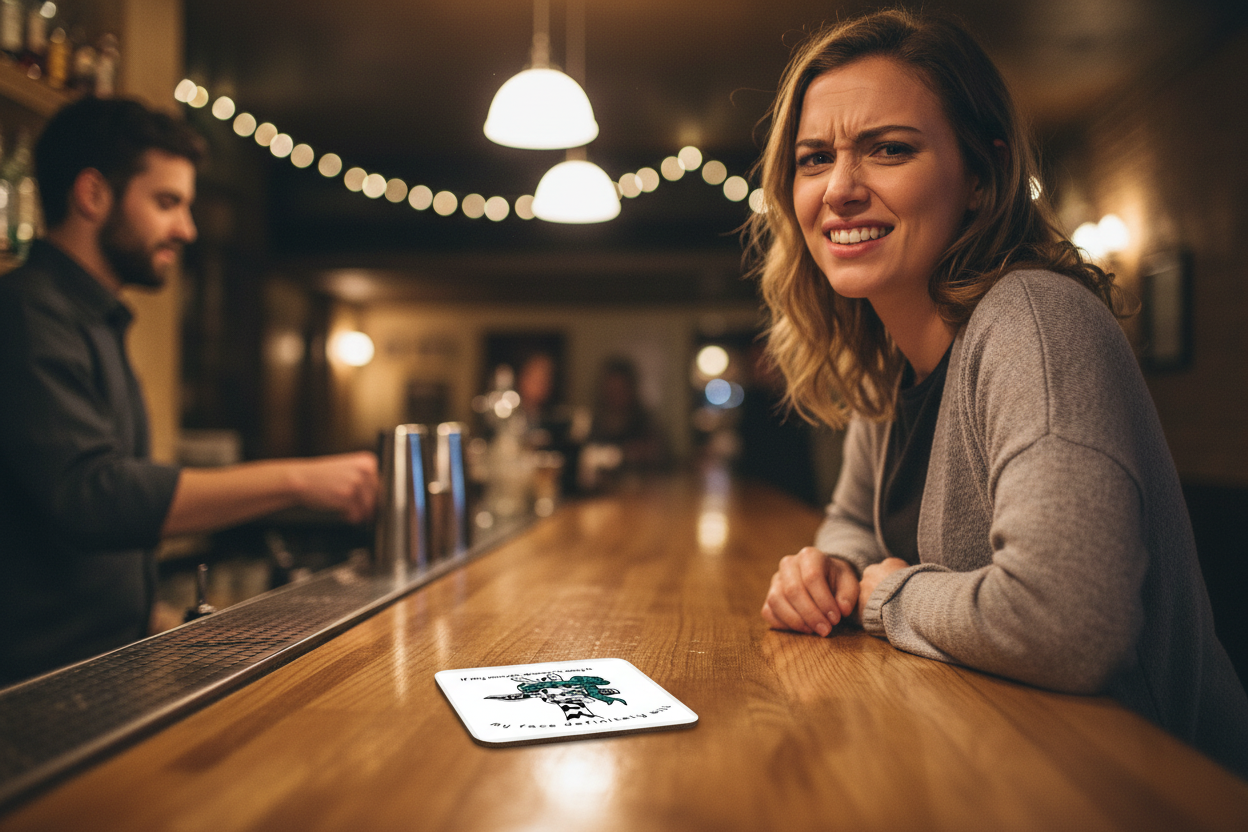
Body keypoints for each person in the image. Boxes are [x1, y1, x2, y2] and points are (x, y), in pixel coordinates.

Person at [753, 10, 1248, 776]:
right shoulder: (891, 356)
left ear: (982, 178)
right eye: (815, 159)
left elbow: (1068, 621)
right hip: (1005, 763)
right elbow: (852, 521)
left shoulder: (1034, 321)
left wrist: (887, 598)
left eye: (889, 149)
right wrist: (831, 574)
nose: (840, 189)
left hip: (1152, 787)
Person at [0, 97, 378, 686]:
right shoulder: (26, 313)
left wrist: (160, 623)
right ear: (92, 195)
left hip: (95, 671)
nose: (187, 229)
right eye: (166, 202)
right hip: (35, 691)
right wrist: (298, 480)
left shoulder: (92, 321)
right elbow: (90, 496)